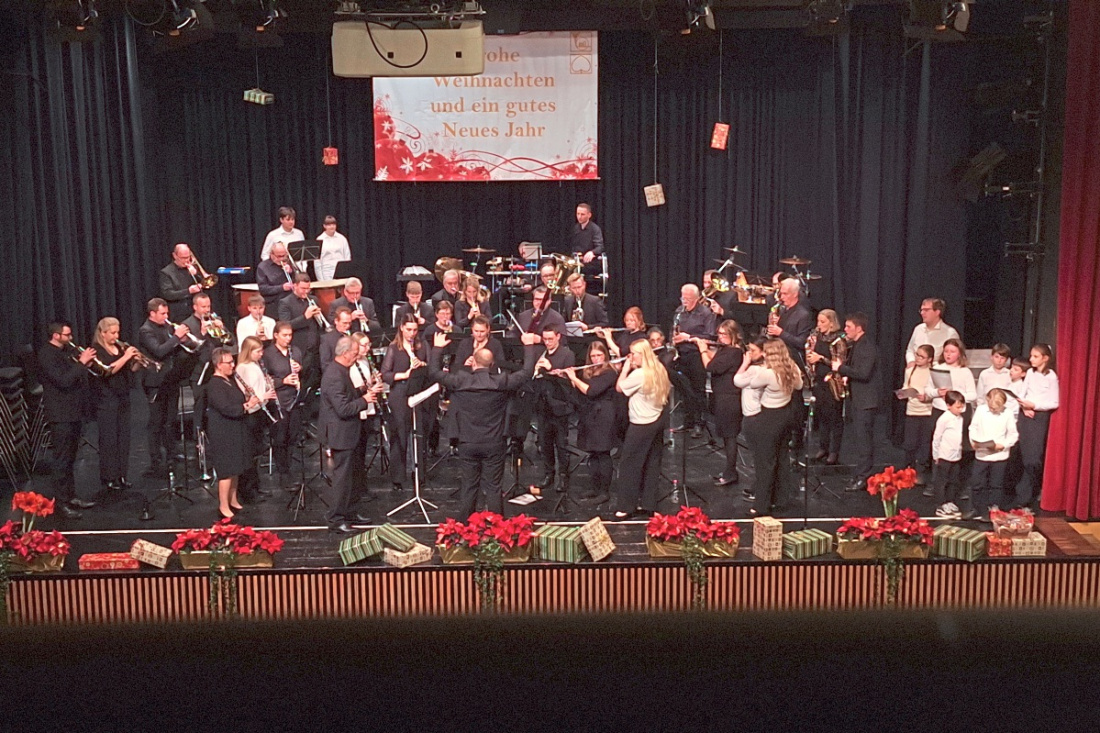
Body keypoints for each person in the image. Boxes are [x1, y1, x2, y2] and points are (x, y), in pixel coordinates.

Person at [428, 330, 539, 518]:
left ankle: (465, 528)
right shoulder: (501, 381)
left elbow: (434, 373)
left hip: (467, 442)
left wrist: (437, 348)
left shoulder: (461, 380)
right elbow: (527, 373)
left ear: (473, 363)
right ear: (492, 364)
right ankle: (497, 529)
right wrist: (529, 346)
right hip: (494, 443)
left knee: (469, 486)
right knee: (494, 487)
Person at [319, 336, 379, 533]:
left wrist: (362, 390)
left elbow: (347, 395)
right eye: (354, 353)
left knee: (352, 475)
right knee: (342, 478)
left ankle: (350, 512)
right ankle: (336, 518)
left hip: (350, 431)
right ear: (345, 354)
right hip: (340, 433)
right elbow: (343, 408)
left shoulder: (342, 370)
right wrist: (365, 399)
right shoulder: (334, 374)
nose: (356, 356)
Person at [38, 322, 97, 518]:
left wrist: (84, 365)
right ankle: (61, 504)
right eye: (67, 335)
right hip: (60, 414)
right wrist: (81, 363)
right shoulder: (46, 354)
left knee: (71, 458)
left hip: (73, 411)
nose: (71, 339)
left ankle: (71, 496)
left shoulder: (64, 352)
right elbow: (64, 381)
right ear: (56, 335)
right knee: (61, 460)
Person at [611, 340, 671, 519]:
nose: (630, 357)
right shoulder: (659, 368)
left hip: (641, 424)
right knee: (651, 462)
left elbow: (619, 388)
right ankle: (648, 503)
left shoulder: (639, 374)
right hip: (656, 420)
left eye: (633, 354)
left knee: (629, 464)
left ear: (642, 354)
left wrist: (625, 369)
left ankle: (626, 506)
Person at [559, 340, 621, 505]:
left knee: (603, 452)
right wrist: (566, 378)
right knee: (592, 452)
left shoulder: (609, 372)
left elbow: (591, 391)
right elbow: (580, 390)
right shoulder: (589, 372)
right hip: (590, 414)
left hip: (604, 415)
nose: (596, 359)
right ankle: (595, 487)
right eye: (593, 356)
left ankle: (604, 491)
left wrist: (573, 377)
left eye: (599, 355)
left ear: (605, 355)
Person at [746, 339, 803, 515]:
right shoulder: (792, 369)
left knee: (765, 462)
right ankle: (780, 500)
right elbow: (800, 385)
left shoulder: (768, 373)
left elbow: (753, 384)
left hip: (769, 419)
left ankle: (761, 505)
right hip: (786, 416)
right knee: (782, 458)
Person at [206, 347, 261, 520]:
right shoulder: (214, 385)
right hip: (223, 432)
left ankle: (233, 499)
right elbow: (226, 407)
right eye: (229, 362)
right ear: (218, 365)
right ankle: (223, 505)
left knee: (237, 467)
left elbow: (237, 400)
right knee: (227, 470)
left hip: (236, 429)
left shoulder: (229, 380)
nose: (233, 365)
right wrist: (247, 405)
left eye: (232, 361)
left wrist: (247, 400)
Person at [138, 298, 192, 476]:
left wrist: (182, 340)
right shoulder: (146, 331)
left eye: (167, 313)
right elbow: (159, 351)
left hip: (170, 378)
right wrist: (176, 337)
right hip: (155, 381)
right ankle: (155, 460)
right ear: (152, 313)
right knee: (156, 422)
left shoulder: (167, 327)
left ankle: (171, 452)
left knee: (170, 419)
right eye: (162, 314)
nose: (166, 317)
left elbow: (172, 350)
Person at [91, 317, 141, 492]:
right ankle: (109, 477)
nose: (116, 336)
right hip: (106, 399)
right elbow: (107, 371)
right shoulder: (97, 350)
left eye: (117, 332)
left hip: (123, 397)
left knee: (123, 438)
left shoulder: (119, 348)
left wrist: (137, 361)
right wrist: (126, 357)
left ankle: (121, 475)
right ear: (102, 333)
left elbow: (130, 370)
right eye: (112, 333)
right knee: (109, 440)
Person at [834, 312, 883, 492]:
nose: (845, 329)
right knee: (860, 440)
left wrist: (841, 368)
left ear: (859, 328)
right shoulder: (858, 345)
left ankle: (864, 477)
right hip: (859, 399)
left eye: (848, 327)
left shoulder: (867, 347)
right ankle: (860, 474)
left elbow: (863, 373)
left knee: (864, 441)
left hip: (866, 401)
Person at [382, 315, 429, 491]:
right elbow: (385, 374)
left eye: (415, 330)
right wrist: (405, 374)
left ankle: (419, 474)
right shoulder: (394, 348)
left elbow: (431, 367)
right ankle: (398, 477)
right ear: (401, 328)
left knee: (419, 434)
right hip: (399, 393)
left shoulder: (422, 346)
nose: (412, 334)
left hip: (418, 391)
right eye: (408, 329)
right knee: (399, 435)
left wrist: (421, 365)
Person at [696, 320, 744, 487]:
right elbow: (716, 360)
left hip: (729, 398)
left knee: (730, 436)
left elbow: (710, 367)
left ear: (733, 334)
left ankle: (731, 473)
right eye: (719, 334)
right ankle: (729, 470)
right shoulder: (726, 350)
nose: (720, 337)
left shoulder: (734, 352)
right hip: (722, 396)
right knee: (725, 435)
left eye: (724, 334)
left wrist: (703, 350)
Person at [1012, 344, 1059, 510]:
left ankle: (1028, 494)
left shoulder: (1051, 377)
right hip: (1025, 415)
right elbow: (1022, 393)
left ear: (1045, 358)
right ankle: (1022, 495)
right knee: (1023, 455)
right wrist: (1025, 407)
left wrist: (1035, 406)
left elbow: (1054, 402)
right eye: (1031, 355)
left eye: (1035, 356)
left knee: (1033, 458)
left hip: (1039, 418)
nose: (1031, 359)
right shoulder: (1030, 373)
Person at [532, 324, 576, 491]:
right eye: (545, 339)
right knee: (545, 443)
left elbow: (568, 381)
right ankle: (548, 474)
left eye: (550, 339)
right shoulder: (541, 353)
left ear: (558, 337)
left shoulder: (567, 354)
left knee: (561, 444)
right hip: (543, 405)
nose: (547, 342)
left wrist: (550, 369)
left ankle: (563, 477)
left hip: (560, 405)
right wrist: (536, 371)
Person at [671, 283, 717, 437]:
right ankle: (688, 421)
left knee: (698, 390)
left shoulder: (705, 313)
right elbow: (675, 330)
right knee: (685, 390)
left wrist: (689, 337)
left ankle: (699, 423)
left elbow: (710, 337)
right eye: (683, 298)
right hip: (682, 354)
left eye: (688, 299)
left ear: (697, 299)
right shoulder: (679, 311)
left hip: (697, 355)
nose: (684, 302)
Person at [235, 336, 277, 504]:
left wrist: (268, 385)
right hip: (250, 413)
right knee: (250, 453)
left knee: (257, 452)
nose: (261, 354)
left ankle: (256, 486)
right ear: (248, 351)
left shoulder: (256, 365)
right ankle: (248, 491)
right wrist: (263, 395)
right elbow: (246, 393)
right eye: (257, 351)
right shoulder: (243, 368)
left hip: (260, 411)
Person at [966, 387, 1018, 519]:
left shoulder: (1008, 413)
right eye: (991, 407)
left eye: (997, 408)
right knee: (977, 483)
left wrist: (1004, 445)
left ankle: (994, 509)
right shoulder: (981, 410)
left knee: (996, 484)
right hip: (982, 454)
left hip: (999, 455)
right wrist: (973, 441)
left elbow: (1013, 434)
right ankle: (976, 508)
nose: (994, 410)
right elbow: (973, 427)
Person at [261, 322, 303, 486]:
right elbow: (265, 379)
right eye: (284, 335)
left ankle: (289, 467)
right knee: (280, 438)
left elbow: (303, 374)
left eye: (290, 335)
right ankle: (283, 472)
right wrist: (283, 381)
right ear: (276, 335)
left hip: (294, 399)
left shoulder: (295, 351)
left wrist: (300, 369)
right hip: (278, 401)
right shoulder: (268, 354)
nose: (288, 338)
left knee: (293, 436)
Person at [804, 309, 845, 465]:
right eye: (818, 321)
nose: (819, 325)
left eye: (823, 322)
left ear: (831, 323)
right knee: (822, 416)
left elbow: (839, 363)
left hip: (832, 383)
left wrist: (820, 358)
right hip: (819, 381)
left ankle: (834, 451)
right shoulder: (817, 337)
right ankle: (823, 447)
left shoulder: (838, 340)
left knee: (834, 418)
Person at [733, 337, 767, 503]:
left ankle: (760, 490)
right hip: (755, 414)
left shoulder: (755, 369)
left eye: (753, 351)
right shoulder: (764, 368)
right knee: (760, 455)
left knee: (759, 456)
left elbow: (737, 380)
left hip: (754, 415)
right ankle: (759, 487)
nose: (749, 353)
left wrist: (745, 362)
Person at [279, 273, 324, 396]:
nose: (306, 291)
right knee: (302, 381)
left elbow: (319, 324)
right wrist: (305, 317)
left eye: (308, 288)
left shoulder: (314, 300)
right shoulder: (285, 303)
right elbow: (285, 326)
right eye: (303, 288)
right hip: (299, 348)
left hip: (315, 348)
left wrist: (319, 317)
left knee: (314, 381)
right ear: (294, 286)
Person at [901, 344, 936, 487]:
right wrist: (905, 392)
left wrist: (926, 397)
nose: (918, 358)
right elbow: (906, 386)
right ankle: (908, 471)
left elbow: (935, 391)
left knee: (924, 443)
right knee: (910, 443)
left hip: (927, 412)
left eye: (922, 356)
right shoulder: (910, 370)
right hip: (912, 411)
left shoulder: (933, 372)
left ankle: (921, 472)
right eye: (917, 355)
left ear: (930, 359)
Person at [932, 390, 967, 520]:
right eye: (957, 407)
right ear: (948, 405)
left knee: (953, 480)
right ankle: (940, 505)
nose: (960, 409)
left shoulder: (960, 418)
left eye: (962, 406)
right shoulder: (944, 419)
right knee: (941, 481)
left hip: (955, 456)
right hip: (944, 456)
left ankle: (949, 501)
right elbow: (937, 438)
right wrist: (936, 455)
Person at [766, 278, 814, 365]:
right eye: (781, 293)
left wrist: (780, 332)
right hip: (778, 356)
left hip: (792, 360)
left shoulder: (803, 315)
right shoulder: (781, 310)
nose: (782, 297)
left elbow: (801, 343)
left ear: (795, 294)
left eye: (785, 294)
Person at [904, 297, 960, 368]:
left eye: (926, 310)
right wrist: (911, 361)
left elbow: (954, 358)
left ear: (937, 312)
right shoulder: (918, 329)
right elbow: (910, 350)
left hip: (937, 371)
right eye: (921, 310)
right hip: (915, 370)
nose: (922, 313)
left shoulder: (950, 333)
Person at [926, 338, 977, 416]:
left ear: (959, 354)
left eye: (952, 352)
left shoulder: (965, 371)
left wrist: (955, 397)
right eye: (946, 351)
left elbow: (973, 395)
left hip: (959, 411)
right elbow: (928, 389)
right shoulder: (937, 368)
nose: (948, 354)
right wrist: (937, 392)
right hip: (939, 409)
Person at [159, 243, 205, 322]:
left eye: (188, 257)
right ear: (175, 256)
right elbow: (168, 294)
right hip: (178, 314)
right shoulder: (166, 272)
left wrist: (196, 274)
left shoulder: (192, 268)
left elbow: (205, 285)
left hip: (195, 312)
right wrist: (188, 291)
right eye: (183, 258)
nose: (187, 260)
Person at [256, 242, 297, 311]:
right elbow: (263, 289)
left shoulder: (289, 263)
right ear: (271, 254)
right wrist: (282, 287)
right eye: (279, 256)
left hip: (290, 301)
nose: (281, 259)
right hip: (273, 303)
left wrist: (291, 272)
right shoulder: (263, 267)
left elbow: (299, 281)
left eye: (284, 255)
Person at [314, 215, 350, 281]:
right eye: (329, 225)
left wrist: (346, 272)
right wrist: (321, 280)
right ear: (324, 226)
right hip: (327, 272)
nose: (332, 227)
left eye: (333, 224)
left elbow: (347, 256)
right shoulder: (319, 240)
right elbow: (317, 262)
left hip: (341, 271)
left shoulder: (342, 238)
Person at [320, 306, 354, 374]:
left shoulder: (353, 336)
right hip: (337, 374)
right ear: (336, 321)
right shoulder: (327, 339)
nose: (347, 326)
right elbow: (325, 364)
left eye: (349, 323)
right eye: (344, 323)